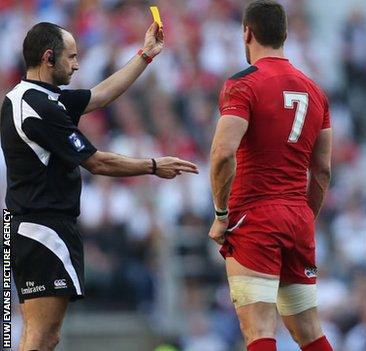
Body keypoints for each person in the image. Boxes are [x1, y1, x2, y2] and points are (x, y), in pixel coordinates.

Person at [1, 21, 198, 351]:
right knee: (42, 336)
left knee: (38, 335)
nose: (77, 64)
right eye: (72, 57)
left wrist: (145, 55)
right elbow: (96, 161)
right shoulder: (40, 108)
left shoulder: (35, 98)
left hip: (32, 227)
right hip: (42, 228)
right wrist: (152, 165)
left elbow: (102, 94)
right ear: (49, 57)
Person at [208, 1, 333, 351]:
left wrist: (220, 215)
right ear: (285, 36)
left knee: (259, 329)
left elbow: (222, 154)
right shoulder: (315, 90)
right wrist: (305, 216)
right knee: (309, 330)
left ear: (247, 32)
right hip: (297, 217)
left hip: (254, 216)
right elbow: (322, 170)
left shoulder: (243, 84)